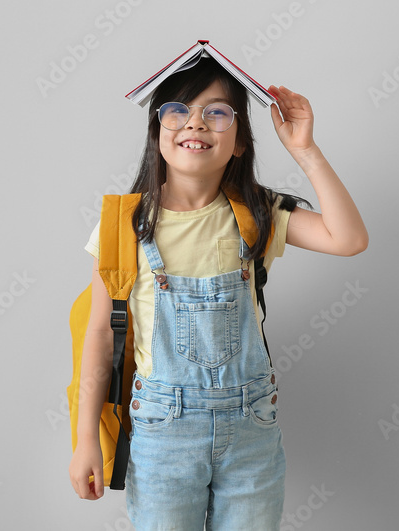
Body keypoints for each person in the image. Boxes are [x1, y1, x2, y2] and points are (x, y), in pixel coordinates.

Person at [68, 57, 368, 530]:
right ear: (157, 132)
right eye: (178, 110)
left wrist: (305, 150)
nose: (195, 122)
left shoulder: (257, 213)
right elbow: (101, 338)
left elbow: (349, 239)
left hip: (253, 431)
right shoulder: (123, 226)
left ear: (240, 141)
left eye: (217, 112)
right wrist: (87, 437)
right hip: (162, 434)